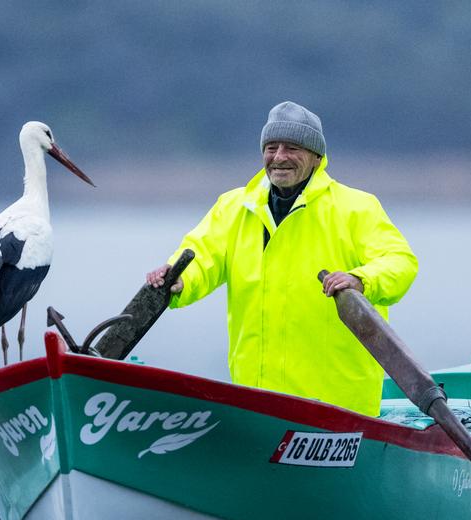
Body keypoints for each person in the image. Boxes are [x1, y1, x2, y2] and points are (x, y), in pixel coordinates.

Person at [146, 101, 417, 416]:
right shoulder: (233, 207)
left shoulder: (356, 208)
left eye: (292, 148)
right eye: (271, 147)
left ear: (317, 157)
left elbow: (399, 261)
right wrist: (179, 279)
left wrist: (361, 280)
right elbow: (203, 255)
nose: (279, 157)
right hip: (257, 403)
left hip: (339, 408)